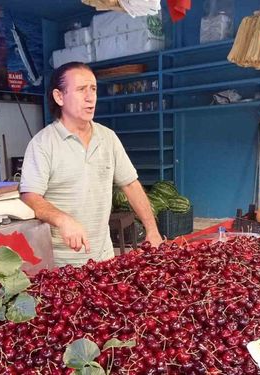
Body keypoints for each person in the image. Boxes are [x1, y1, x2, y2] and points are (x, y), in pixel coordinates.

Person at [19, 62, 163, 266]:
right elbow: (30, 196)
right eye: (80, 89)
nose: (90, 97)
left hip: (103, 257)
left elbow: (130, 184)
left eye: (93, 89)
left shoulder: (108, 138)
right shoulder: (43, 144)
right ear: (59, 97)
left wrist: (152, 230)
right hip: (60, 263)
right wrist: (63, 219)